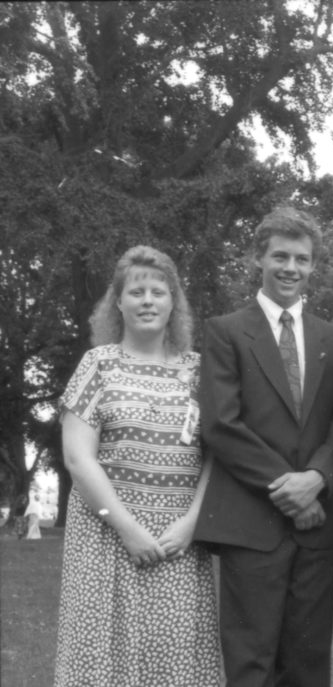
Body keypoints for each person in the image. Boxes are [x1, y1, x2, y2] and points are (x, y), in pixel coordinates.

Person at [195, 207, 333, 686]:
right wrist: (288, 490)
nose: (291, 268)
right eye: (280, 256)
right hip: (252, 523)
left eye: (302, 259)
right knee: (252, 664)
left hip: (317, 526)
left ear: (312, 266)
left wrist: (317, 479)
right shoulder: (226, 331)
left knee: (307, 666)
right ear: (257, 258)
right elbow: (221, 424)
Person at [55, 245, 220, 686]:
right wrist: (127, 528)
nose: (148, 300)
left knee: (175, 657)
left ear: (174, 303)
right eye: (137, 292)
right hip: (105, 537)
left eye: (159, 292)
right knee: (103, 659)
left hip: (178, 541)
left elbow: (215, 456)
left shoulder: (199, 372)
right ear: (118, 303)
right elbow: (77, 457)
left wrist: (192, 521)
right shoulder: (98, 365)